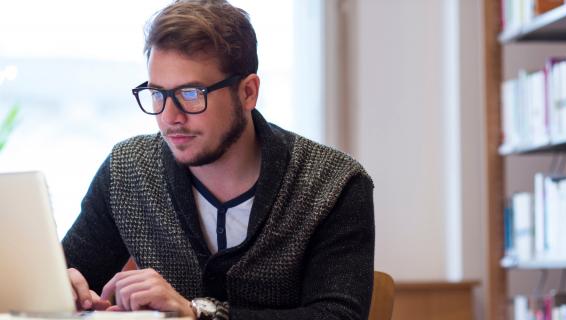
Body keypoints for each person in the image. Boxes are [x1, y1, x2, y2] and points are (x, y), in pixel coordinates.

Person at [61, 0, 375, 319]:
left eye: (191, 94)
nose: (170, 117)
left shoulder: (333, 185)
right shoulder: (128, 170)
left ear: (248, 92)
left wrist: (198, 313)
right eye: (157, 94)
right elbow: (69, 272)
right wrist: (61, 286)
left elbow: (339, 315)